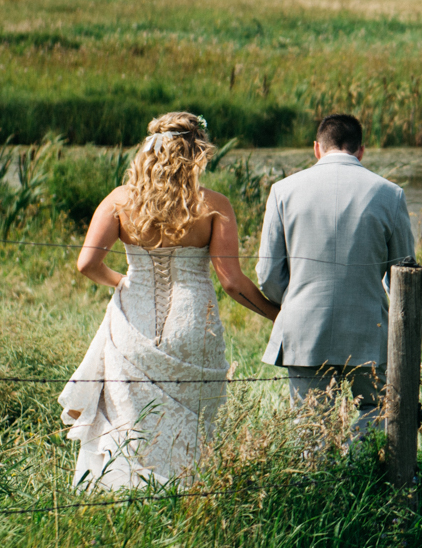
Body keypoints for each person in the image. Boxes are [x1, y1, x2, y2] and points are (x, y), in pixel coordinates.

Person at [60, 112, 280, 489]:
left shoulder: (119, 201)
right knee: (190, 418)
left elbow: (86, 263)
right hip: (193, 322)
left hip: (134, 318)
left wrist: (124, 283)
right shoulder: (213, 205)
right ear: (197, 153)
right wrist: (276, 314)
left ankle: (125, 489)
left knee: (130, 413)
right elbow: (231, 282)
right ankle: (184, 490)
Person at [254, 112, 416, 435]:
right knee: (377, 409)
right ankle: (357, 470)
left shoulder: (283, 191)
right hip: (368, 330)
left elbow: (268, 274)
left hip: (304, 329)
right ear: (361, 150)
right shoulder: (390, 194)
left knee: (311, 427)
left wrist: (295, 300)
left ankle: (319, 482)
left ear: (317, 148)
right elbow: (403, 276)